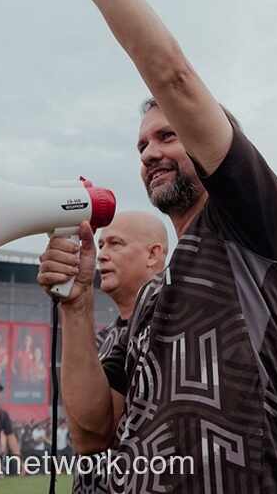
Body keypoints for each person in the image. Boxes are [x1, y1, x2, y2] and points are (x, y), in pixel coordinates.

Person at [17, 0, 277, 493]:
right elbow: (93, 434)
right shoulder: (152, 302)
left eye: (168, 135)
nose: (150, 152)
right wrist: (75, 307)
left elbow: (172, 75)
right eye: (141, 144)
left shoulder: (256, 233)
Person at [71, 211, 168, 494]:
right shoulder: (104, 339)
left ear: (153, 254)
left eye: (115, 244)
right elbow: (85, 434)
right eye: (101, 245)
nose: (101, 255)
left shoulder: (177, 326)